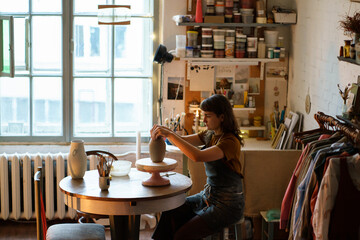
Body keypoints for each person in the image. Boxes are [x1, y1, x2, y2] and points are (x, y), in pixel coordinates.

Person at [151, 94, 245, 240]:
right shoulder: (210, 134)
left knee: (182, 235)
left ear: (222, 117)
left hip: (227, 205)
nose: (204, 119)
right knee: (171, 212)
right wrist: (165, 133)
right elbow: (182, 140)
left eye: (208, 116)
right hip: (208, 196)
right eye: (203, 115)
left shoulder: (230, 142)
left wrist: (170, 134)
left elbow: (197, 156)